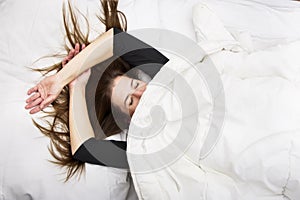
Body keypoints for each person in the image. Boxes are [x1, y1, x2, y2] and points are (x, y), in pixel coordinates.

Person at [25, 0, 168, 182]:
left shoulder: (169, 75)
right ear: (127, 119)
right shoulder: (147, 149)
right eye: (130, 101)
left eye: (136, 85)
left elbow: (118, 40)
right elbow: (85, 149)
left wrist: (60, 78)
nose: (142, 94)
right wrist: (76, 84)